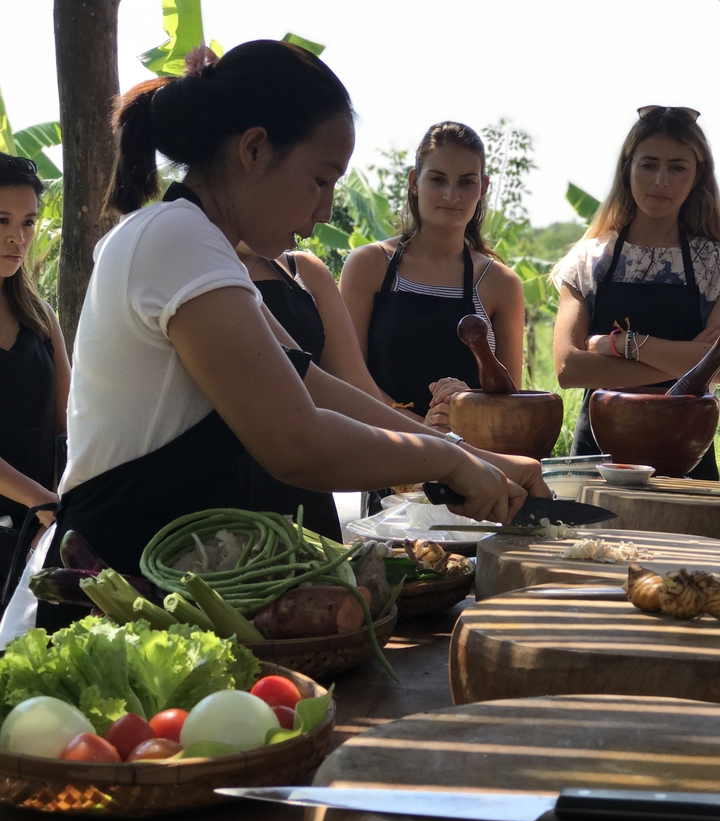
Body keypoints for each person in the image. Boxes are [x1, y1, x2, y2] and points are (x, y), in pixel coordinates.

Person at [20, 41, 547, 635]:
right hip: (119, 594)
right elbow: (296, 440)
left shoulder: (202, 246)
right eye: (321, 180)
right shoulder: (175, 239)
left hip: (172, 586)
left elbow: (311, 383)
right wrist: (448, 459)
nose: (325, 210)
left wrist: (485, 459)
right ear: (253, 149)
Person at [553, 105, 720, 479]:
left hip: (687, 460)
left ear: (697, 176)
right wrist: (689, 360)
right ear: (627, 168)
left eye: (678, 167)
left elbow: (718, 367)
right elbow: (568, 368)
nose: (661, 180)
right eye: (649, 164)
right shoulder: (589, 259)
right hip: (599, 459)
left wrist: (623, 344)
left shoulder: (714, 263)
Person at [340, 120, 525, 429]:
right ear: (414, 181)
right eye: (438, 179)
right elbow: (347, 380)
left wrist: (469, 404)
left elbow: (513, 404)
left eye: (466, 182)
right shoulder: (369, 266)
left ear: (483, 188)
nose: (451, 194)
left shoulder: (501, 284)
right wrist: (421, 428)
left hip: (469, 463)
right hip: (377, 453)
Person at [236, 244, 385, 539]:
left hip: (307, 492)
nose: (323, 215)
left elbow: (353, 385)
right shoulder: (199, 268)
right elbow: (309, 383)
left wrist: (427, 440)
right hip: (222, 494)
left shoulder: (304, 270)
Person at [0, 154, 70, 606]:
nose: (17, 237)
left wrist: (63, 504)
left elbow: (69, 422)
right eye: (2, 219)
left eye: (27, 222)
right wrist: (44, 503)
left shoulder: (41, 316)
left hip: (37, 537)